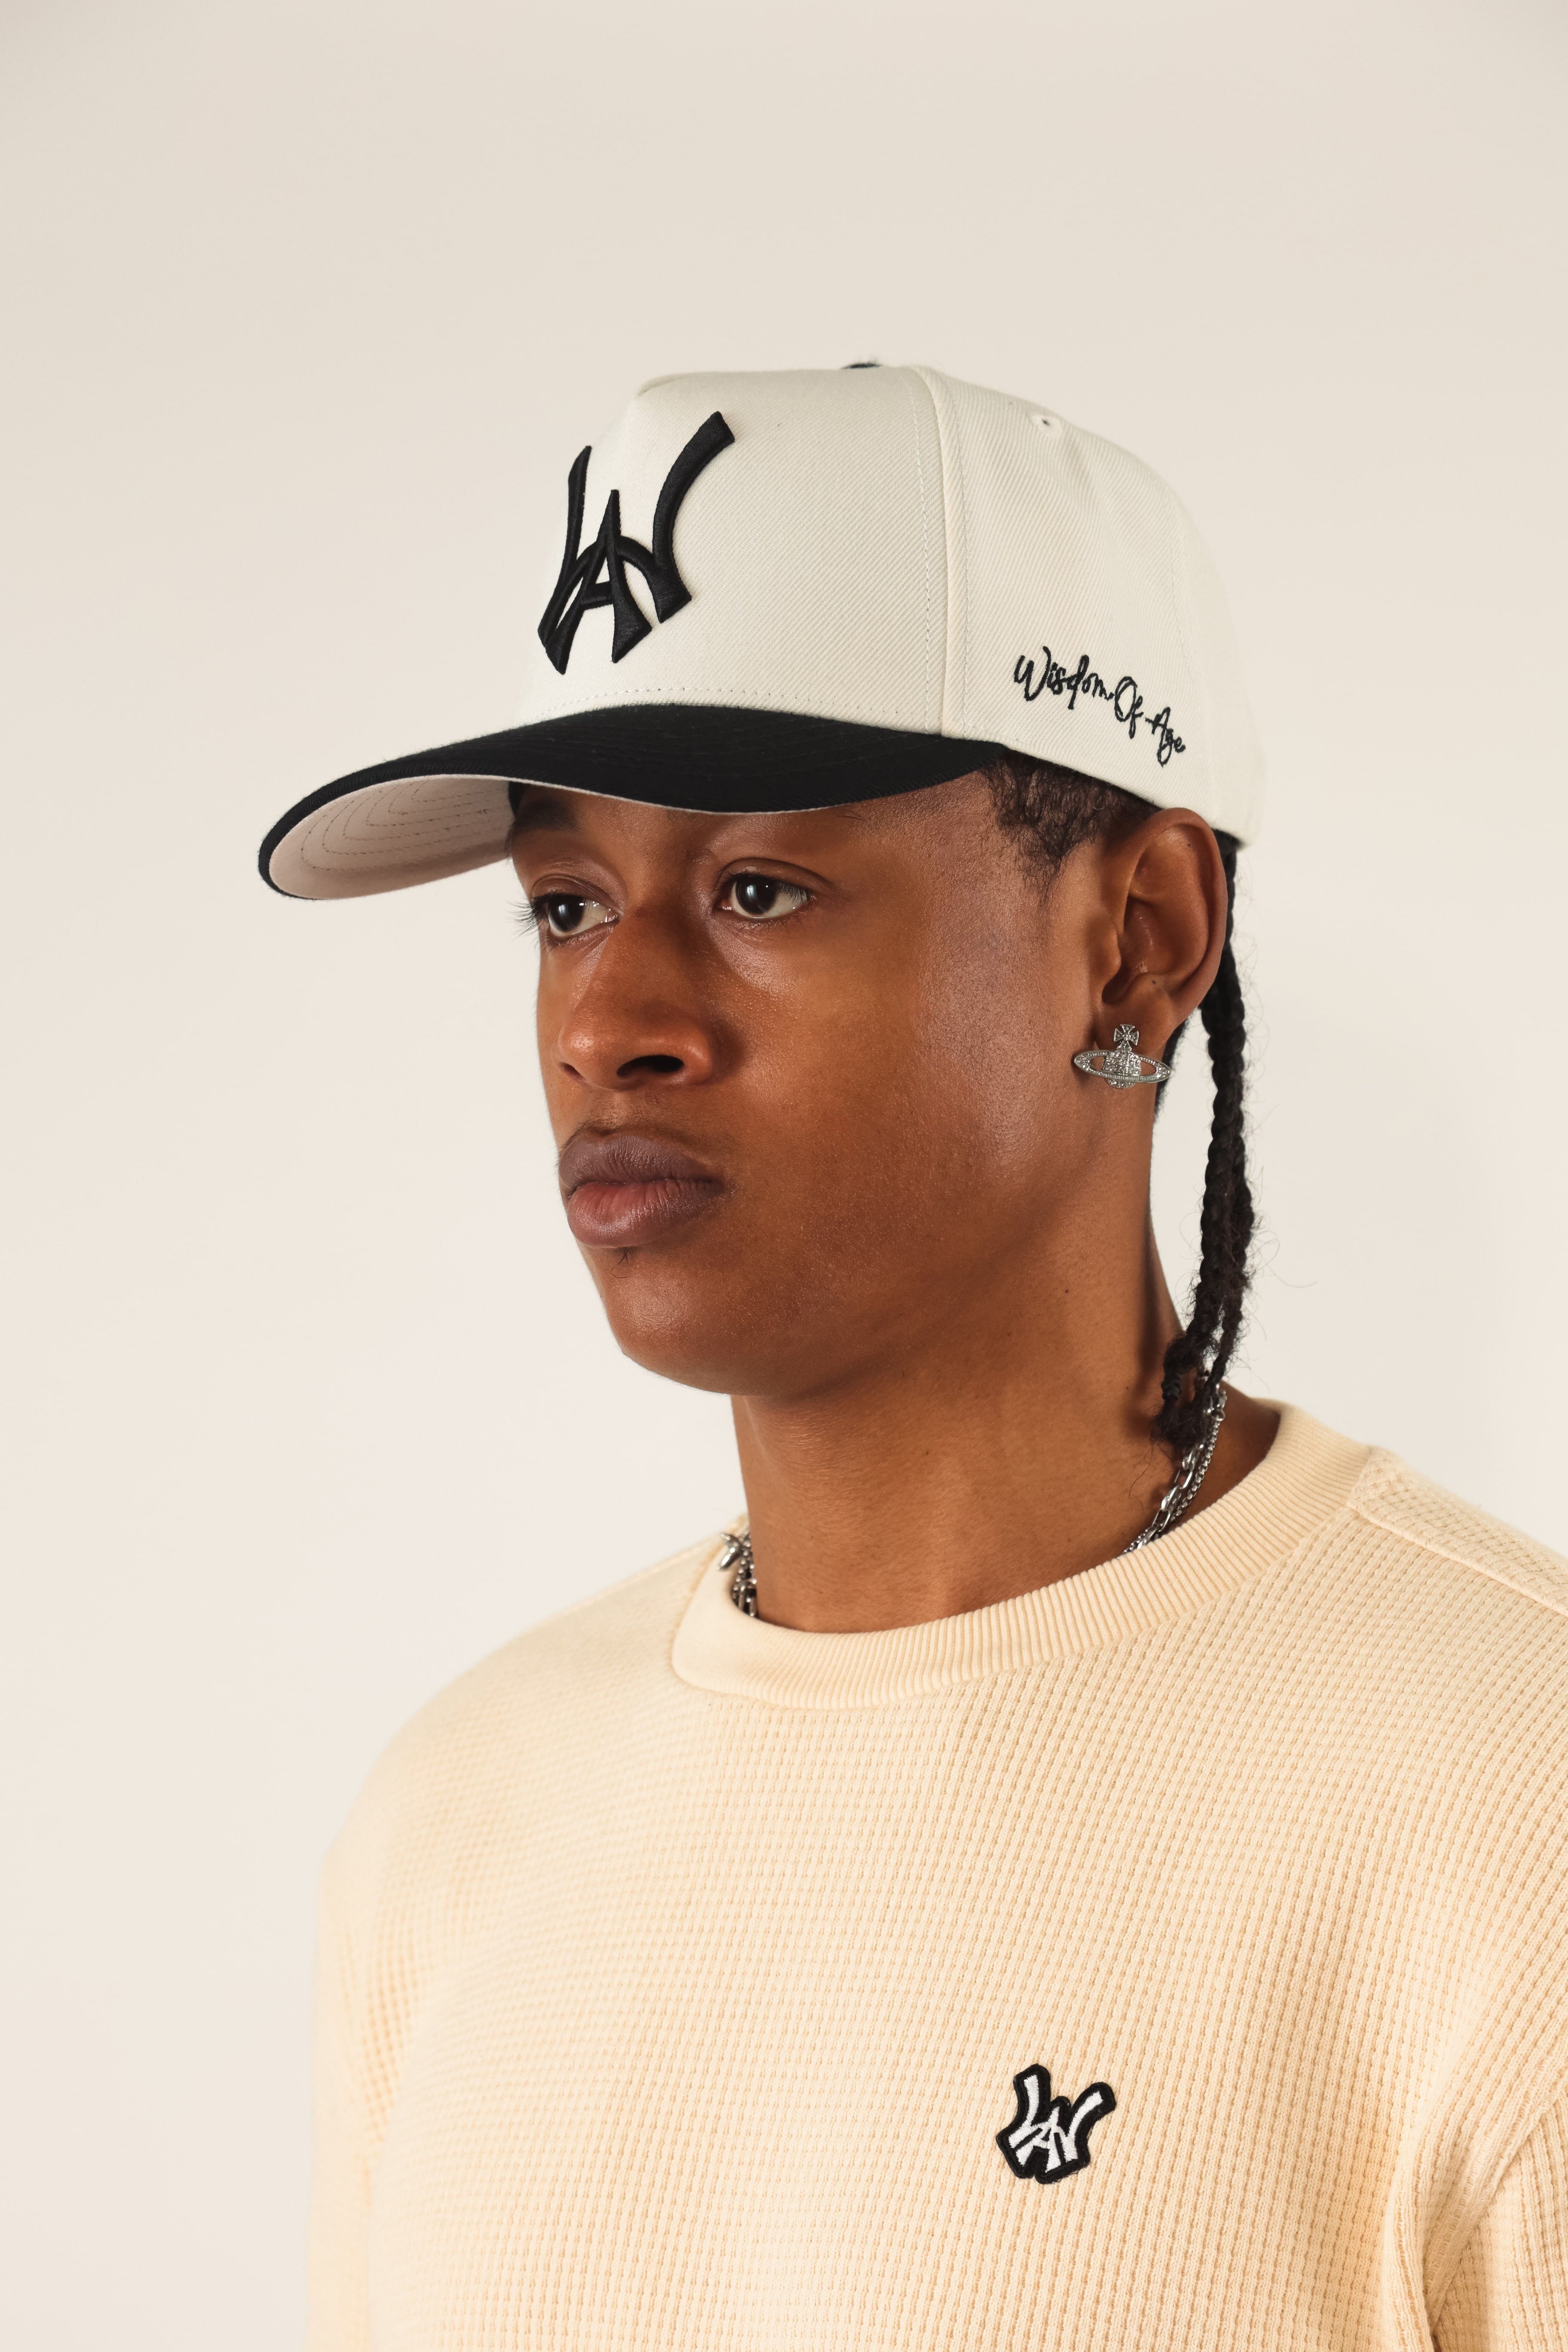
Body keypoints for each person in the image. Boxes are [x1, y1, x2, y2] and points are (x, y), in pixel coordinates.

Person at [261, 365, 1567, 2350]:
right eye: (566, 904)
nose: (607, 1020)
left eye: (759, 888)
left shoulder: (1509, 1802)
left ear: (1139, 936)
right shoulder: (456, 1821)